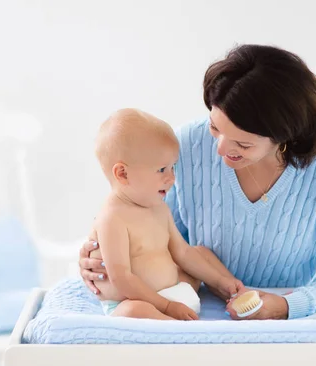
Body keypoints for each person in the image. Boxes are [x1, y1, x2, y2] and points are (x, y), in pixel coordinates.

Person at [79, 44, 316, 366]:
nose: (218, 149)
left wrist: (285, 307)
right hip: (188, 344)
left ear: (284, 136)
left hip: (278, 356)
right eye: (214, 127)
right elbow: (159, 238)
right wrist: (96, 257)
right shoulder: (183, 145)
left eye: (241, 144)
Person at [90, 108, 244, 320]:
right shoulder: (112, 219)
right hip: (136, 300)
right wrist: (167, 306)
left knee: (201, 253)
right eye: (162, 170)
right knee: (132, 312)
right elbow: (122, 279)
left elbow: (182, 252)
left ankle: (232, 293)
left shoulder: (159, 207)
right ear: (123, 174)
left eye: (173, 167)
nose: (171, 178)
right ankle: (177, 328)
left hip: (174, 291)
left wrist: (220, 281)